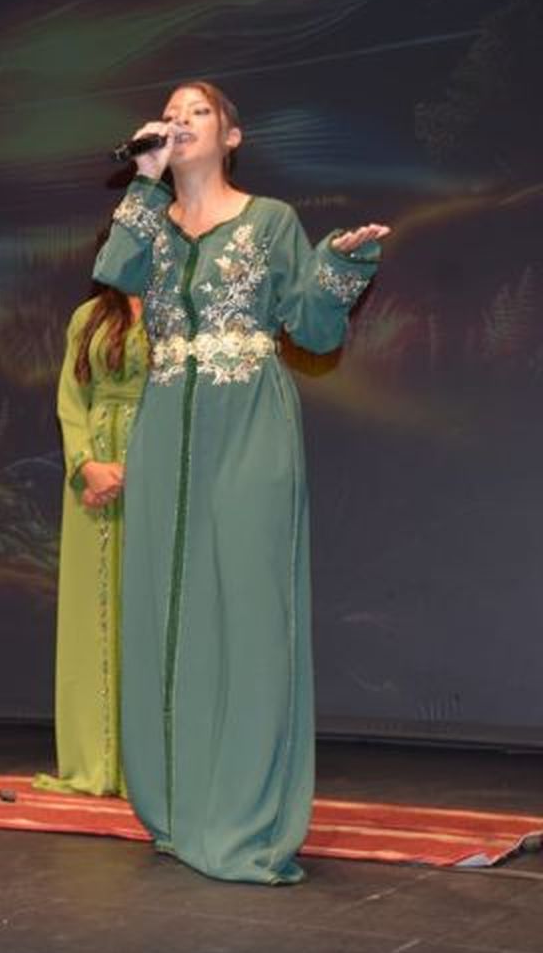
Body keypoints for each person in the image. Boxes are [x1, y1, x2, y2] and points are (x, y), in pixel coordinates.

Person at [95, 80, 389, 884]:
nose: (181, 122)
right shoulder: (150, 226)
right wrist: (147, 177)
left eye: (198, 114)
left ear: (232, 135)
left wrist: (338, 267)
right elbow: (111, 268)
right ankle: (179, 803)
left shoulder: (270, 221)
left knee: (251, 609)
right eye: (172, 113)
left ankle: (249, 815)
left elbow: (312, 326)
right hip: (166, 429)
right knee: (168, 606)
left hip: (250, 426)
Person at [32, 285, 146, 797]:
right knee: (91, 612)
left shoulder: (175, 307)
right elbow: (71, 400)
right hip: (93, 471)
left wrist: (146, 465)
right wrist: (86, 467)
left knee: (147, 609)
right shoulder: (88, 316)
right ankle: (92, 760)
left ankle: (149, 765)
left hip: (155, 460)